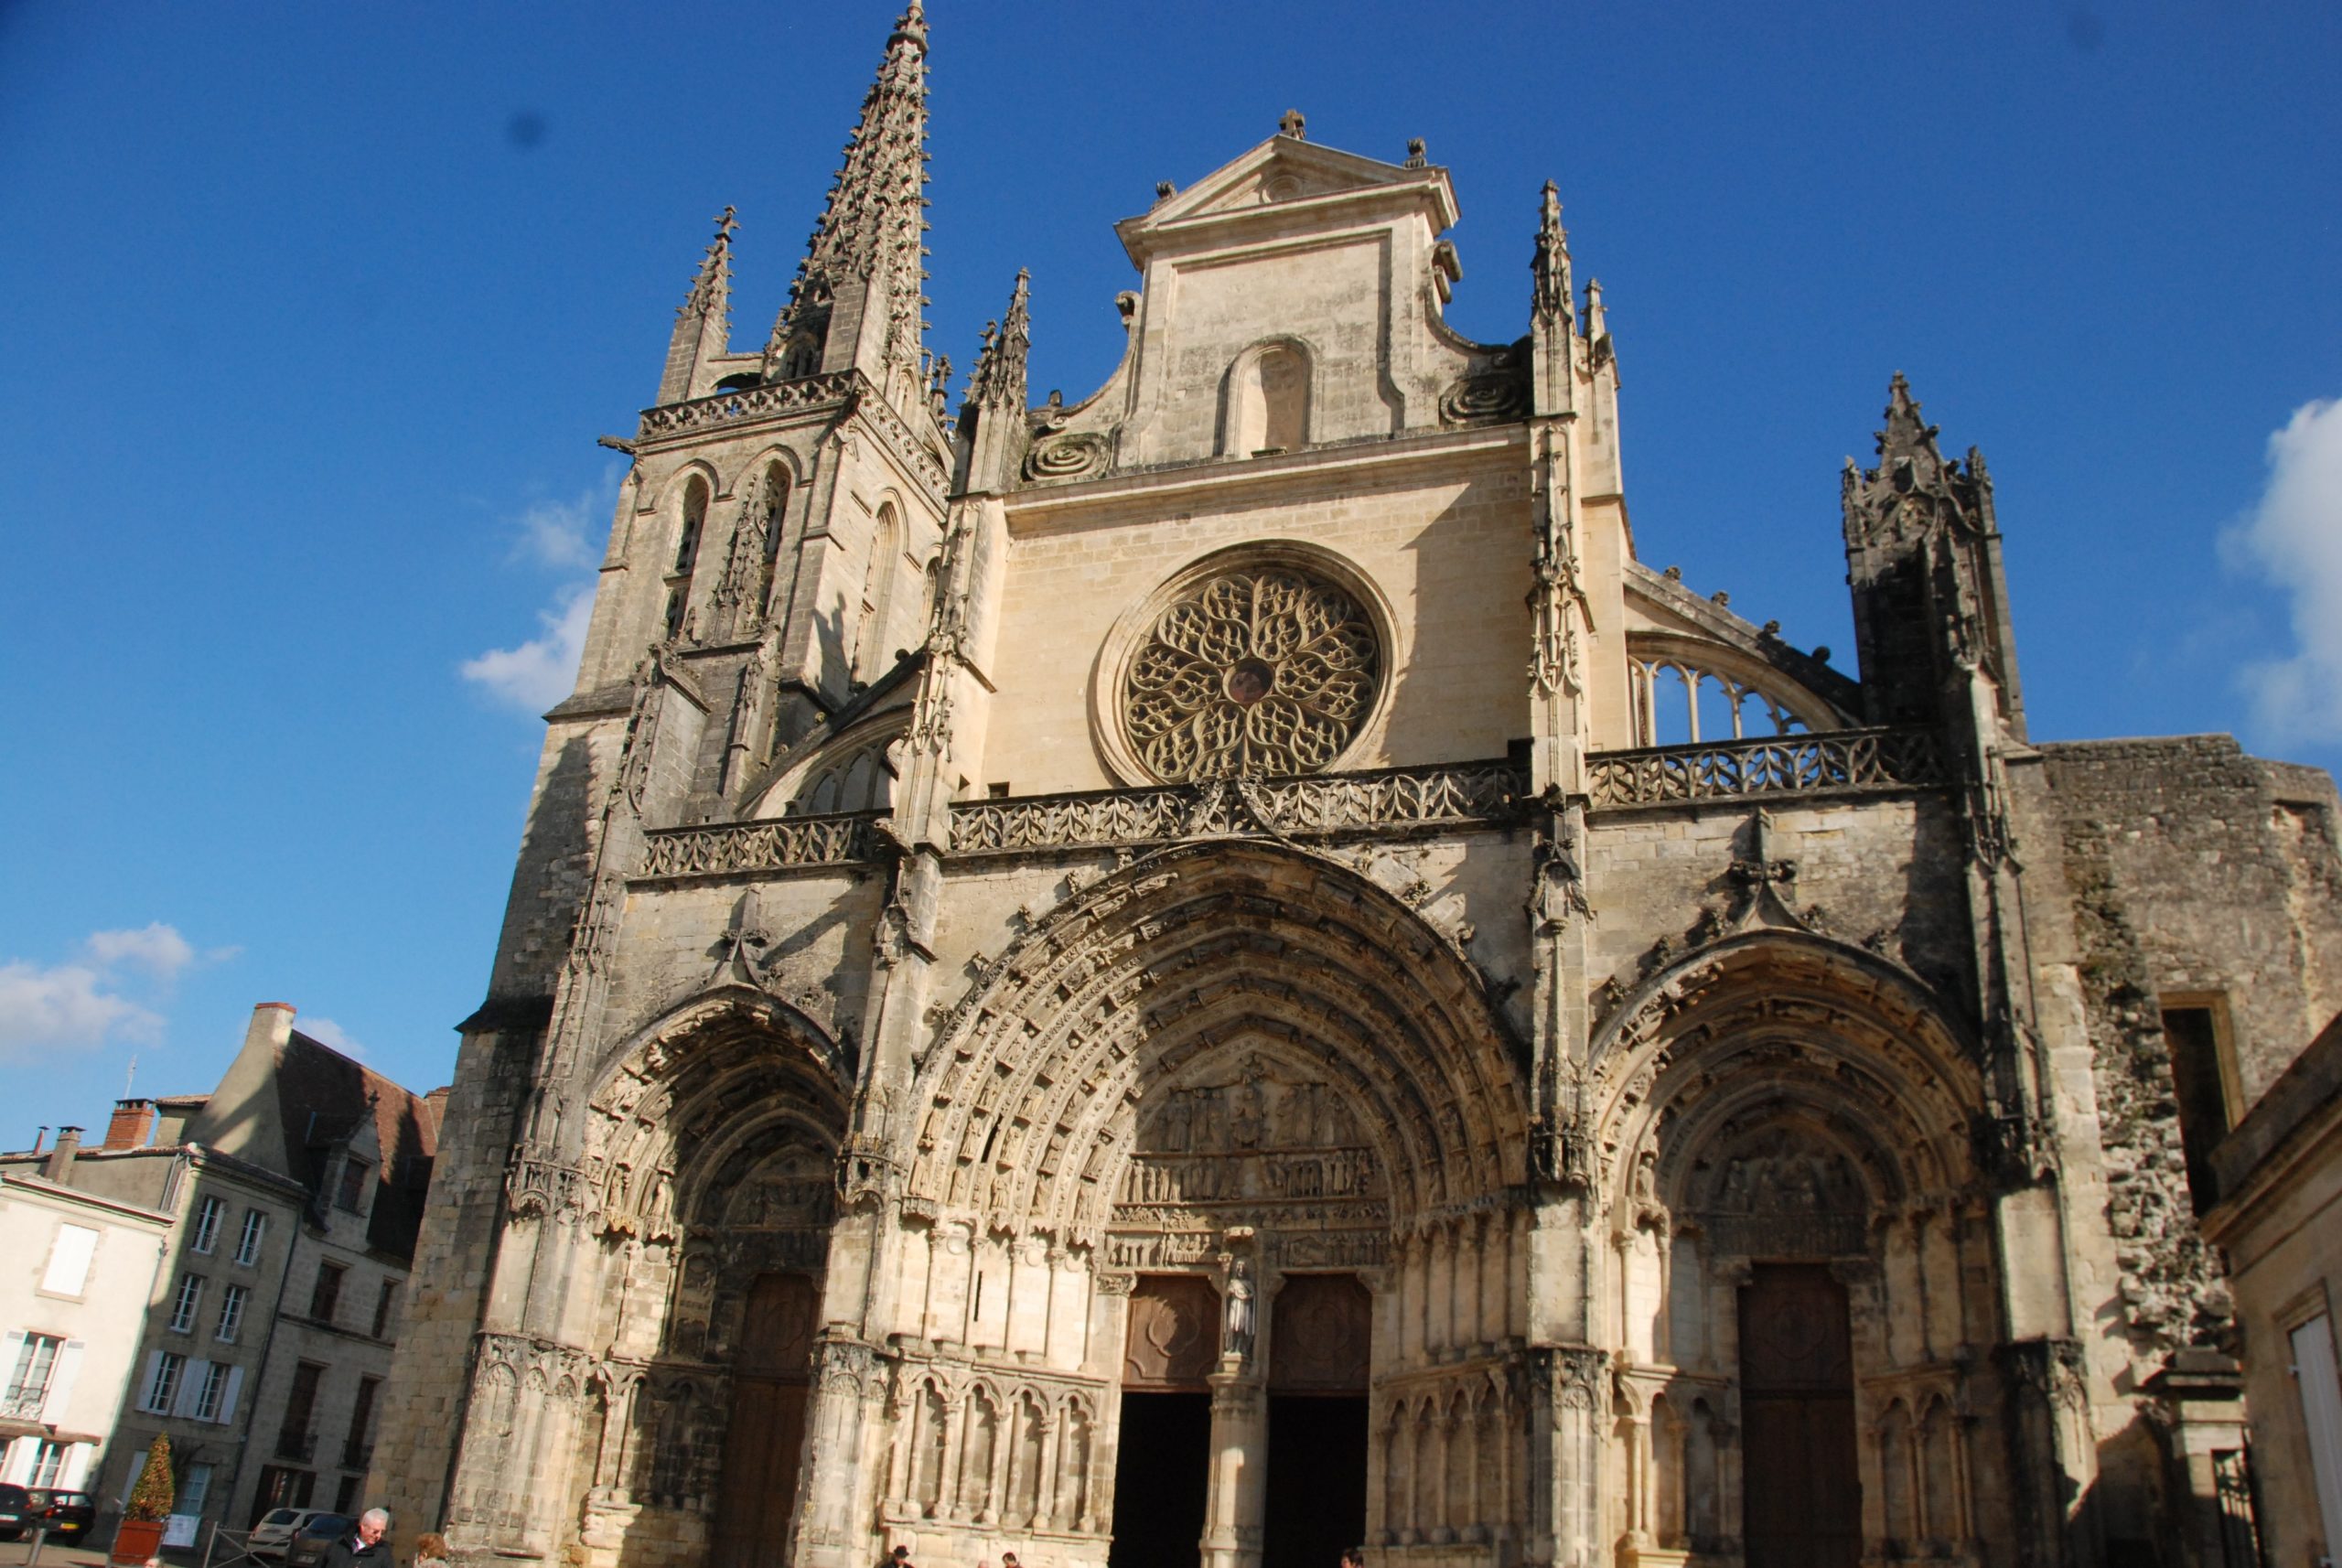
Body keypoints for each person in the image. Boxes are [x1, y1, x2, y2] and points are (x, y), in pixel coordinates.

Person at [324, 1509, 392, 1568]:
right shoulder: (338, 1545)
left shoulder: (383, 1553)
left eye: (382, 1532)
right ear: (363, 1527)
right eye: (375, 1531)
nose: (379, 1535)